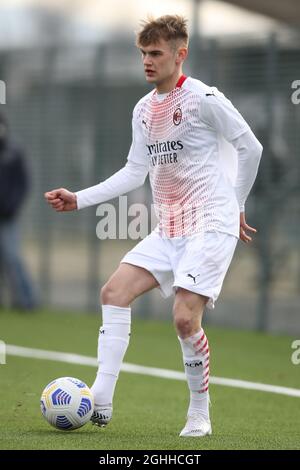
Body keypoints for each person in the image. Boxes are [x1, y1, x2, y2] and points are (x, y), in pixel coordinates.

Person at [45, 15, 262, 437]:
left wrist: (235, 205)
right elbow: (133, 172)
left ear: (180, 55)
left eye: (156, 53)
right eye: (143, 53)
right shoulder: (143, 109)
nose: (147, 61)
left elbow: (249, 147)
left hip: (211, 223)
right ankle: (101, 398)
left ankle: (199, 413)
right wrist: (79, 198)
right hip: (170, 228)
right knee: (114, 292)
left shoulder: (203, 98)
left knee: (184, 319)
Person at [0, 112, 36, 310]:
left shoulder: (13, 152)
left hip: (8, 217)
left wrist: (11, 206)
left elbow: (23, 184)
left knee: (13, 258)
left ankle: (27, 301)